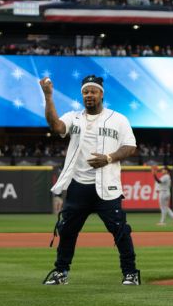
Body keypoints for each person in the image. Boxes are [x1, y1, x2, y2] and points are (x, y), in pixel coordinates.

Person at [40, 75, 141, 286]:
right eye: (86, 92)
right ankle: (61, 272)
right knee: (67, 230)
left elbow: (130, 147)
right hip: (78, 185)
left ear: (101, 94)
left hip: (107, 186)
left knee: (120, 229)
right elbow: (56, 127)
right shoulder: (74, 117)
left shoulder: (118, 119)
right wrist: (48, 96)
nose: (89, 95)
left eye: (93, 91)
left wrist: (109, 158)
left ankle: (131, 273)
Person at [151, 161, 173, 226]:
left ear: (166, 171)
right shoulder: (167, 176)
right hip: (166, 192)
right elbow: (159, 180)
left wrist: (154, 174)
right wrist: (156, 171)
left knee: (163, 208)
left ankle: (162, 222)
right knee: (165, 207)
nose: (162, 171)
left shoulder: (166, 176)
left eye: (164, 170)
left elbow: (159, 181)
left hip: (163, 193)